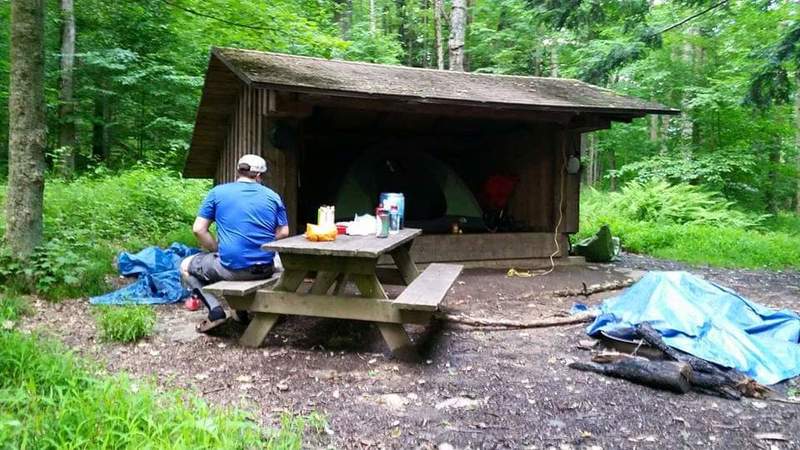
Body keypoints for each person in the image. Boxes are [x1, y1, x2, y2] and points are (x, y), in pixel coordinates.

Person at [180, 154, 290, 332]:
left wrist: (215, 248)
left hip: (232, 269)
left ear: (238, 171)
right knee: (271, 263)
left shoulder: (218, 192)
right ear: (259, 176)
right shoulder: (273, 196)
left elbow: (198, 229)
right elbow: (284, 231)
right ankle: (240, 313)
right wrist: (261, 243)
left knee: (185, 265)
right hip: (265, 268)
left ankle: (215, 311)